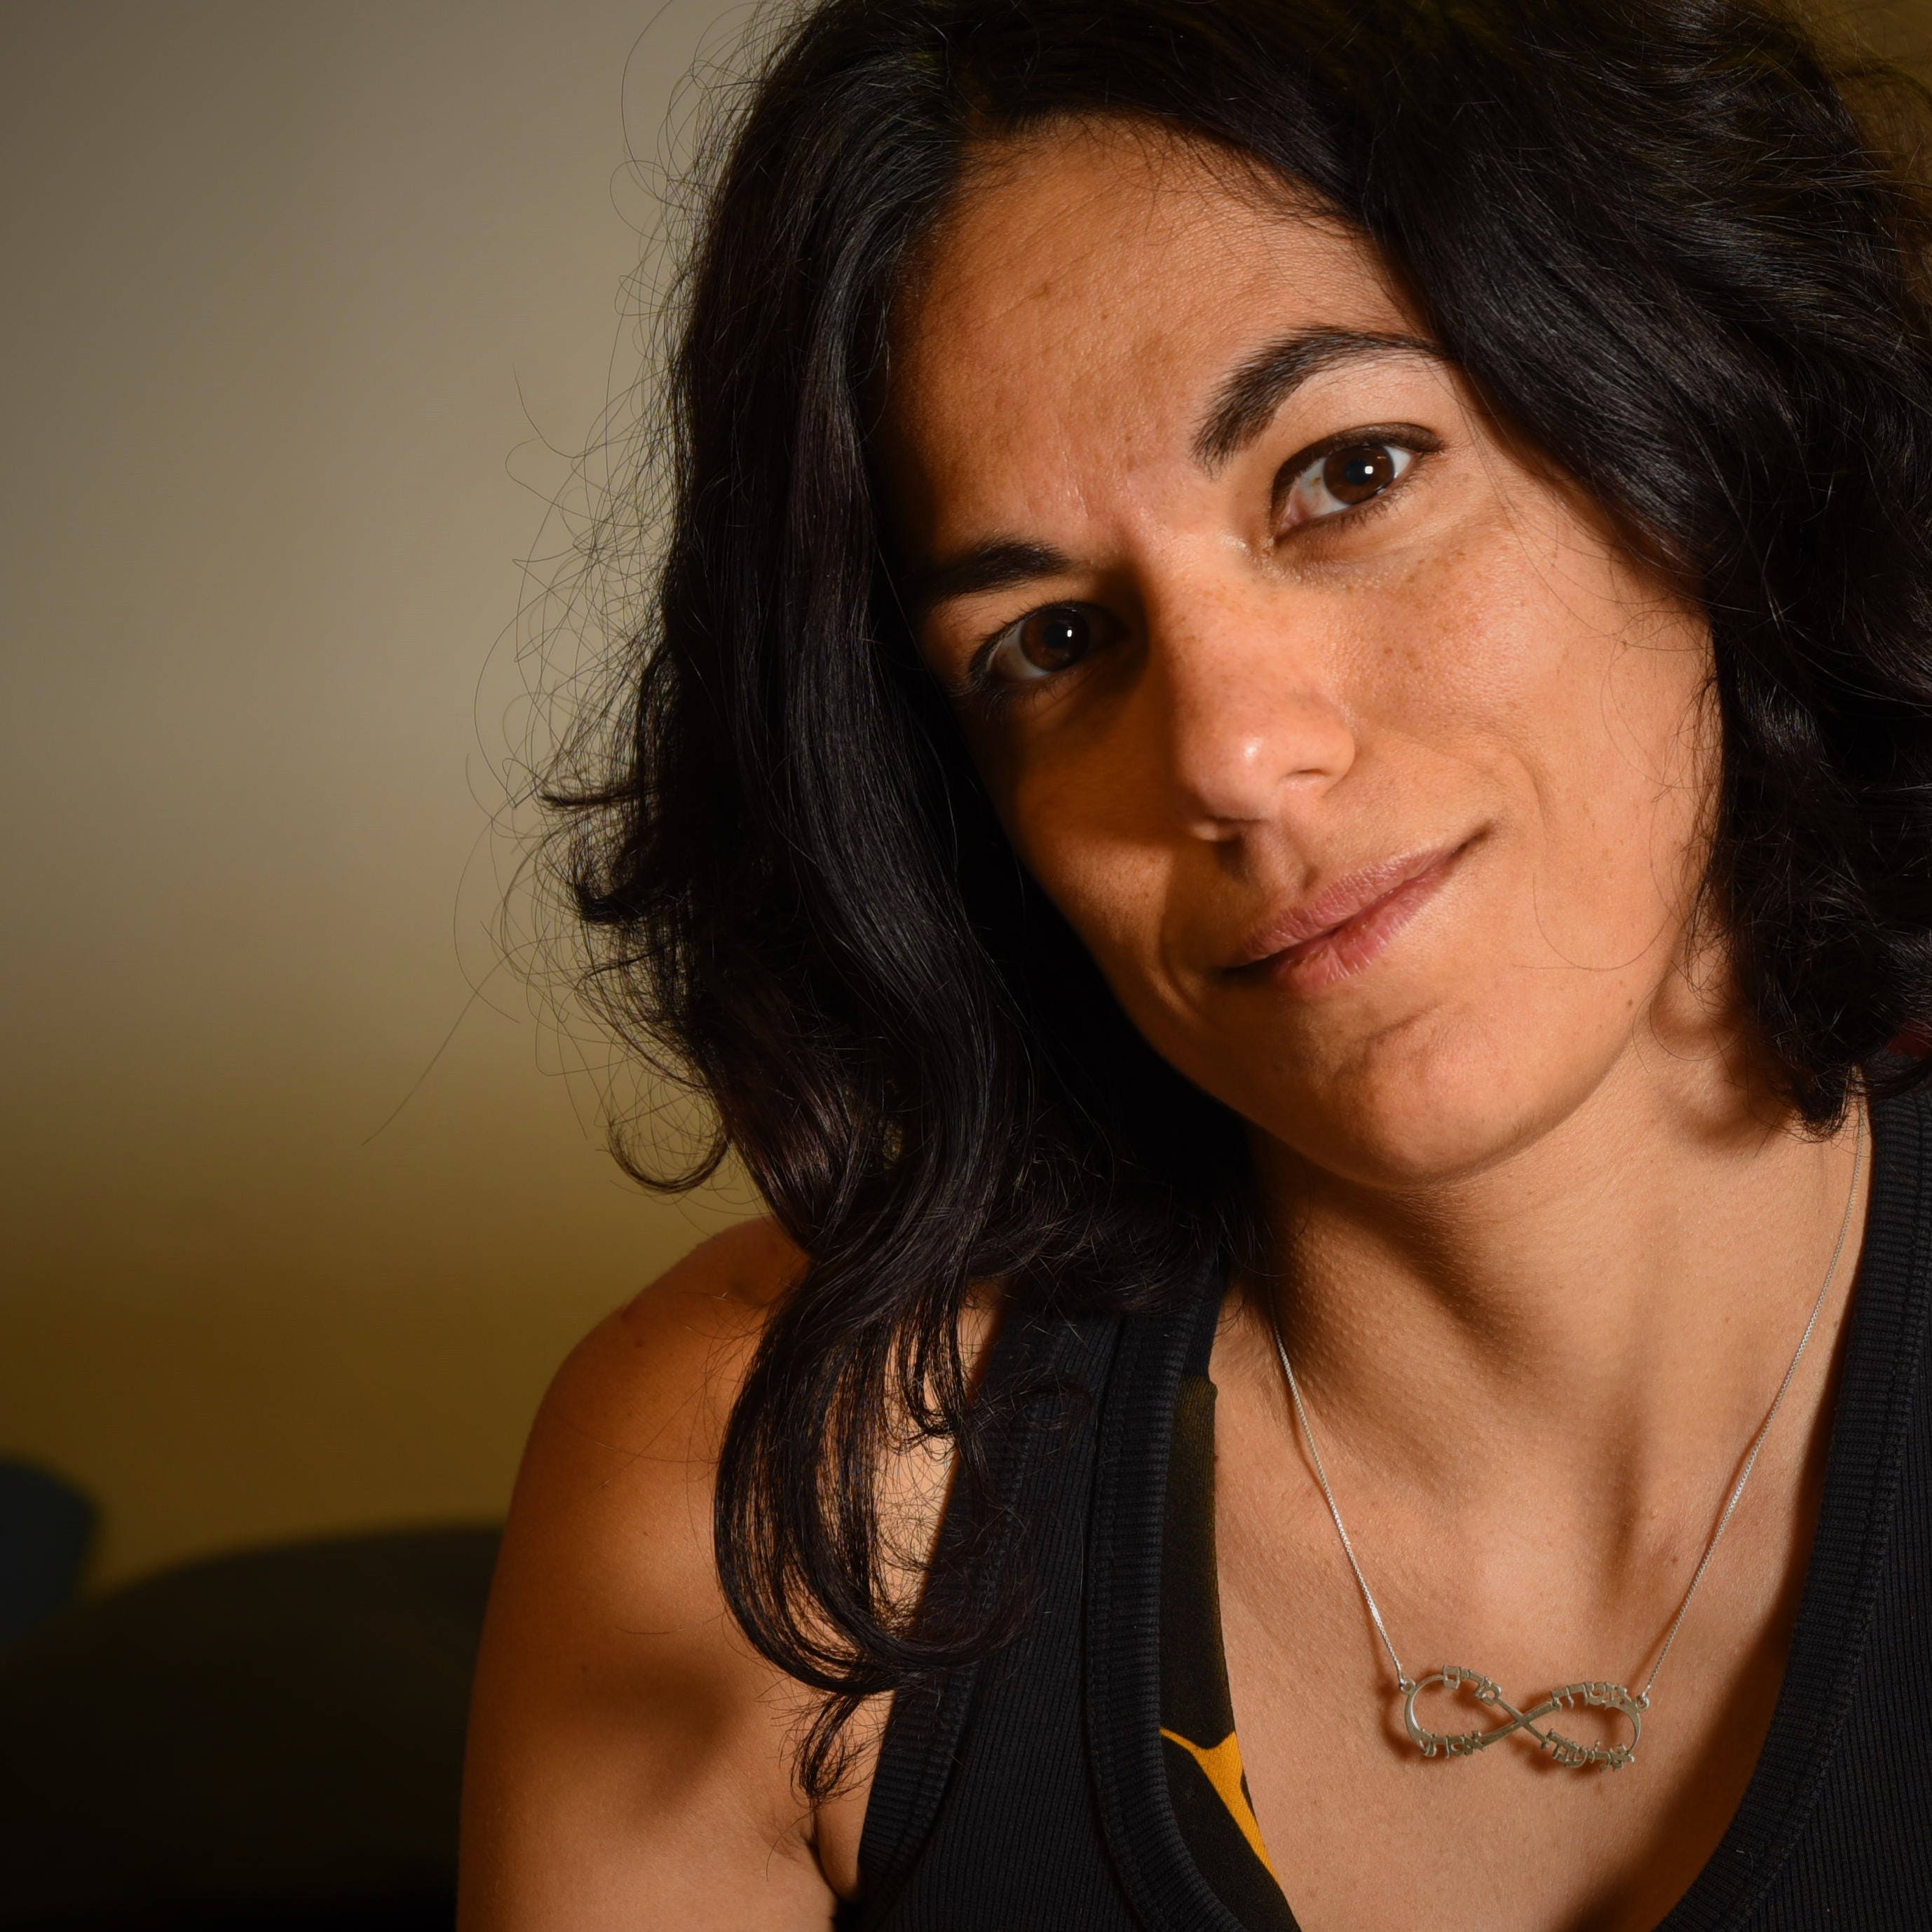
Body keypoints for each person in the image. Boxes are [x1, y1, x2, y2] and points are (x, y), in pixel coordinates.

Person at [456, 1, 1932, 1925]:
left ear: (1689, 431)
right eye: (1053, 644)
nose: (1229, 755)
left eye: (1351, 474)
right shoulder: (782, 1509)